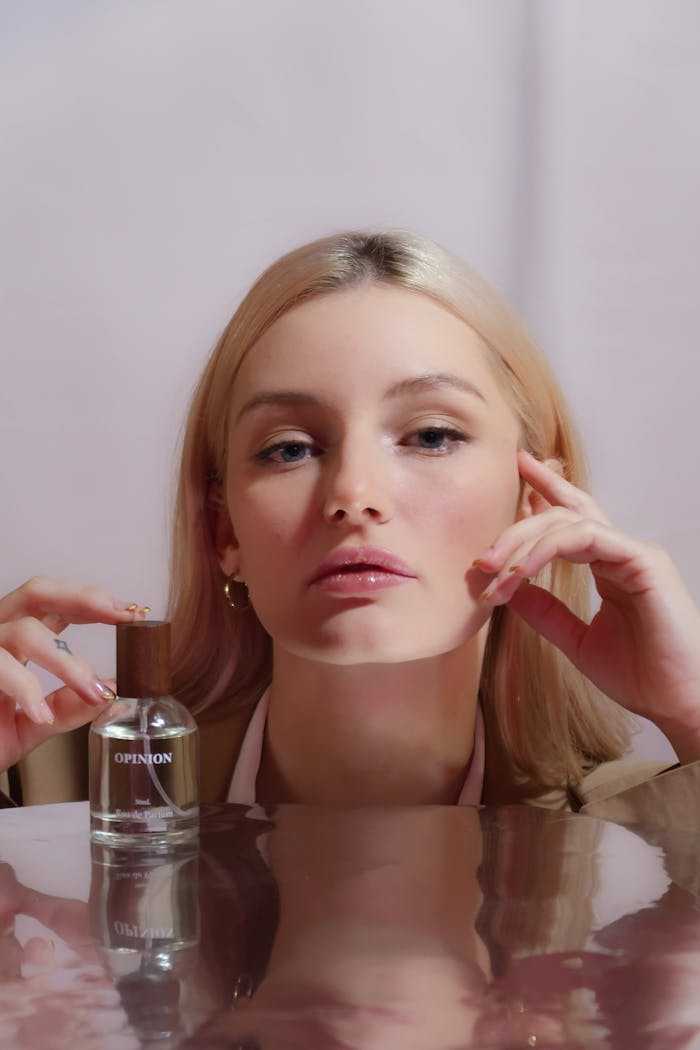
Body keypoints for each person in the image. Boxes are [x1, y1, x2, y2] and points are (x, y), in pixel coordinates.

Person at [2, 230, 700, 815]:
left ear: (536, 505)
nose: (353, 494)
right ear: (225, 534)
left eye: (431, 435)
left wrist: (694, 714)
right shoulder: (48, 790)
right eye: (290, 449)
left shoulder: (638, 840)